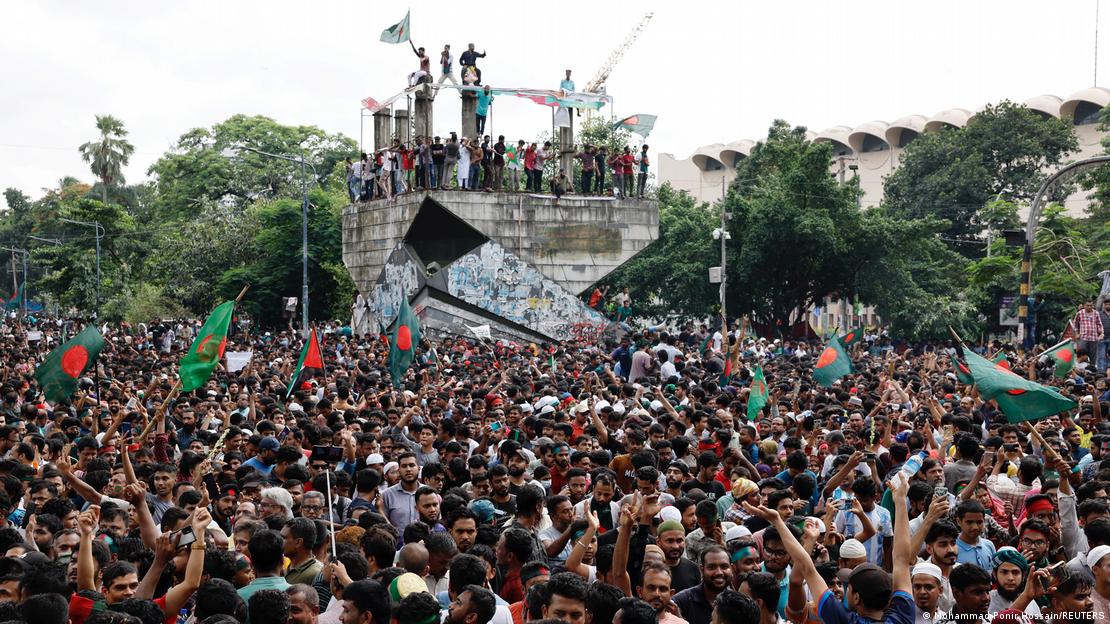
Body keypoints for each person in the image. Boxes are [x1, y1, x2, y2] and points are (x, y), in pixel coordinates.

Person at [1074, 300, 1104, 364]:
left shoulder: (1096, 313)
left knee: (1093, 355)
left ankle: (1092, 370)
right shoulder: (1080, 313)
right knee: (1083, 353)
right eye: (1088, 305)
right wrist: (1077, 334)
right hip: (1083, 337)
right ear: (1084, 305)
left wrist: (1101, 334)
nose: (1089, 307)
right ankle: (1083, 368)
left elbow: (1099, 324)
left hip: (1094, 337)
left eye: (1091, 305)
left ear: (1093, 306)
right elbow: (1075, 325)